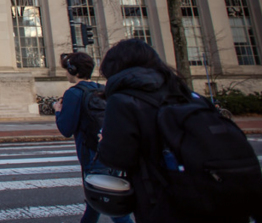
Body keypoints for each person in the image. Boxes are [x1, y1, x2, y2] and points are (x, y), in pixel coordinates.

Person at [97, 39, 258, 223]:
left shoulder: (123, 100)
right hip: (218, 192)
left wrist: (104, 140)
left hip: (167, 201)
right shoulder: (188, 94)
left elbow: (117, 158)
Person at [53, 52, 132, 223]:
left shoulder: (73, 94)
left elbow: (66, 129)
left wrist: (58, 112)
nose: (66, 72)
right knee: (95, 202)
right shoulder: (103, 89)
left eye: (67, 69)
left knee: (111, 206)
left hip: (91, 155)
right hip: (110, 151)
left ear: (73, 70)